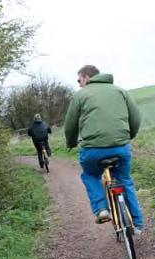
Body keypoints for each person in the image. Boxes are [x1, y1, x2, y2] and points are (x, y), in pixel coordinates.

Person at [64, 65, 144, 234]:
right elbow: (136, 118)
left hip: (93, 150)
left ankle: (101, 209)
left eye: (79, 80)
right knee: (124, 179)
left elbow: (70, 125)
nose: (79, 84)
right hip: (121, 147)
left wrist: (71, 142)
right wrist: (127, 137)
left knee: (91, 175)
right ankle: (137, 224)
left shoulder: (80, 95)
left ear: (87, 77)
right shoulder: (120, 91)